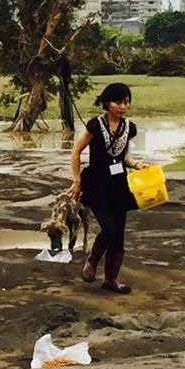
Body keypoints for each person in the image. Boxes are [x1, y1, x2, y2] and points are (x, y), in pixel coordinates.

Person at [67, 83, 149, 294]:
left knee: (118, 233)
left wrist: (137, 165)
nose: (123, 106)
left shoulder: (129, 127)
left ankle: (111, 279)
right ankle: (92, 261)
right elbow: (76, 151)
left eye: (126, 102)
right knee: (110, 228)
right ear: (107, 103)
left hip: (119, 184)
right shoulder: (95, 125)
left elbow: (124, 156)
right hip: (97, 184)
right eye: (118, 102)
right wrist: (77, 180)